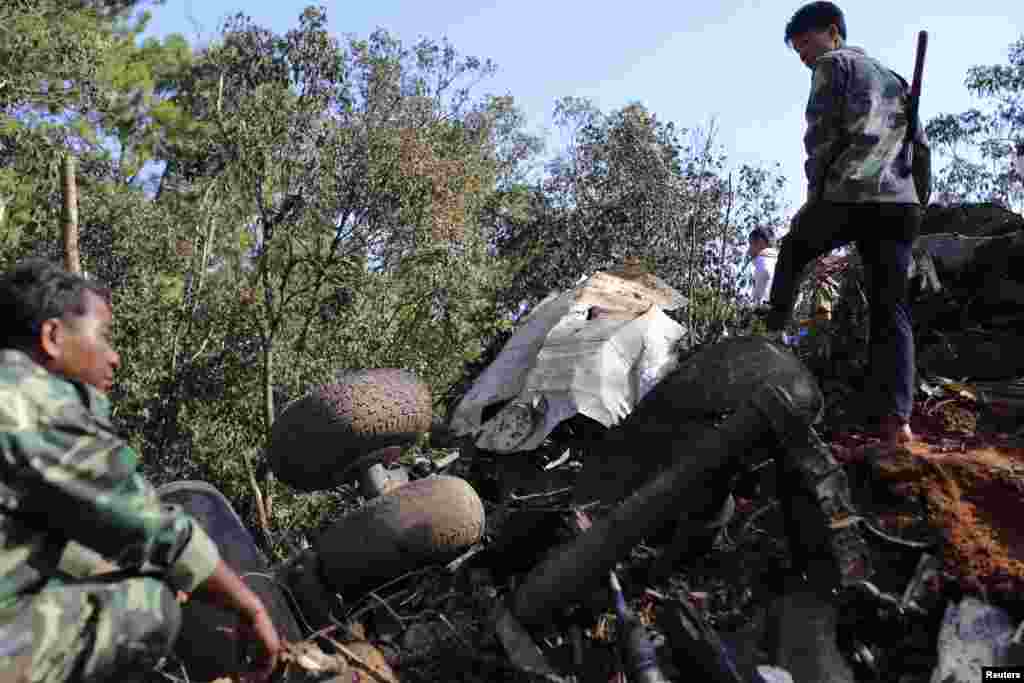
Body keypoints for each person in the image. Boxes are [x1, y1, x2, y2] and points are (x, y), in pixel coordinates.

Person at [0, 260, 282, 682]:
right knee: (148, 604)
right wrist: (249, 606)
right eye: (105, 337)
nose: (114, 358)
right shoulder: (29, 398)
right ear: (53, 337)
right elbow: (151, 529)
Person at [766, 1, 928, 444]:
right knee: (889, 310)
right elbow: (920, 147)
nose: (802, 54)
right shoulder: (895, 79)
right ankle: (897, 422)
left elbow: (821, 137)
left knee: (795, 250)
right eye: (796, 48)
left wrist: (812, 201)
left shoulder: (833, 64)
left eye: (805, 42)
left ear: (832, 32)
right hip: (899, 203)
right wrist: (917, 207)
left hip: (852, 191)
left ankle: (770, 337)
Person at [748, 227, 778, 306]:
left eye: (751, 244)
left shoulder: (762, 261)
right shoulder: (779, 262)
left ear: (761, 242)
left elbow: (759, 301)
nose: (749, 250)